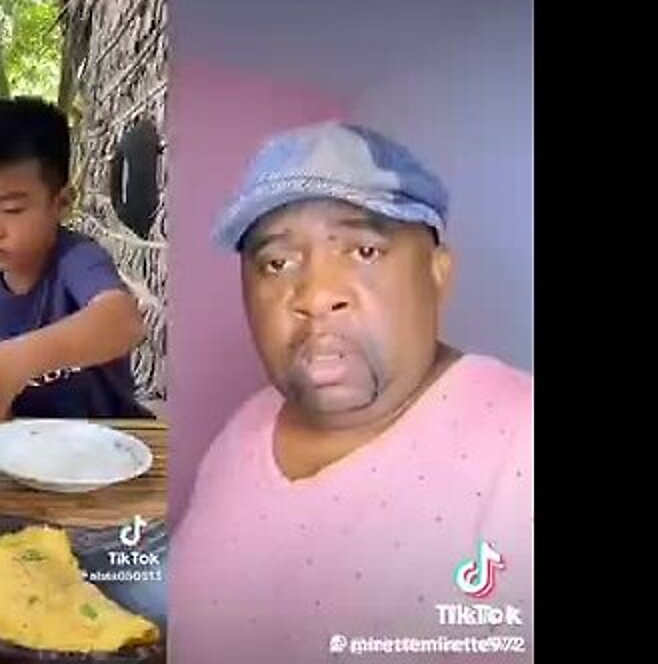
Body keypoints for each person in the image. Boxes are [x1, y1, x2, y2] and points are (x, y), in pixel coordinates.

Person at [169, 122, 534, 662]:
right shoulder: (243, 426)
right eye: (277, 263)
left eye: (364, 250)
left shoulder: (520, 444)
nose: (316, 297)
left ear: (438, 273)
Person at [0, 97, 150, 423]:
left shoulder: (77, 260)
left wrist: (12, 362)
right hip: (19, 447)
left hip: (106, 443)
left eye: (12, 210)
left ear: (61, 203)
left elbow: (122, 323)